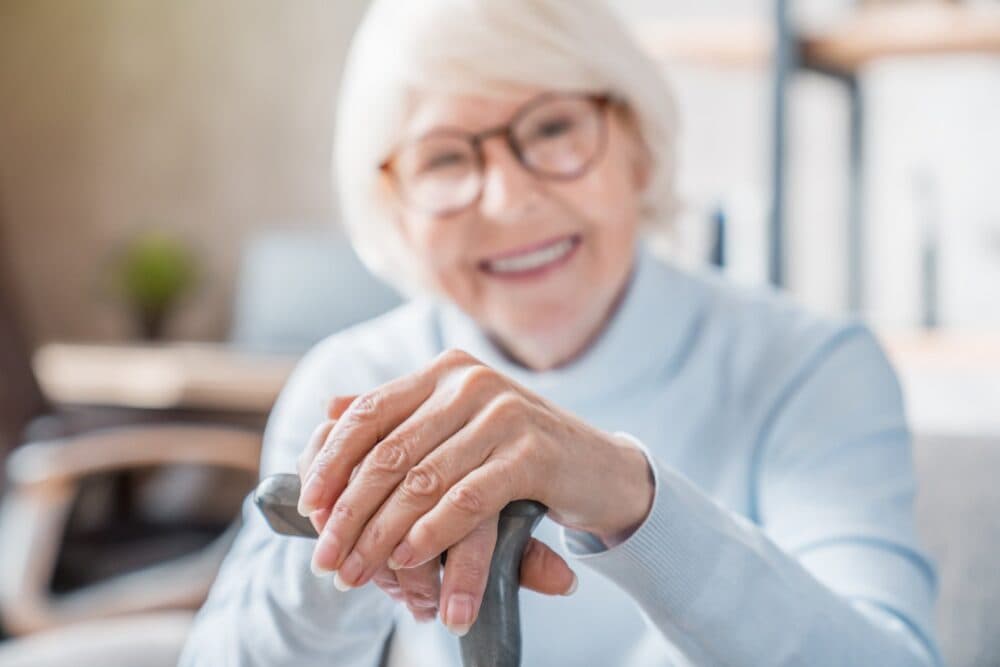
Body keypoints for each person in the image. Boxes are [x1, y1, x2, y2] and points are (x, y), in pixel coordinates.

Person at [179, 1, 941, 665]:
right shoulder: (351, 379)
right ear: (393, 205)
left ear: (637, 143)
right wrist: (348, 547)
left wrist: (626, 495)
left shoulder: (810, 367)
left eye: (551, 128)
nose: (510, 201)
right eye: (445, 157)